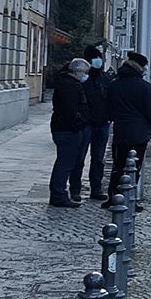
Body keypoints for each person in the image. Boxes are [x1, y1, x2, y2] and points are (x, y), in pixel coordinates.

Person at [106, 52, 151, 199]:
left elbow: (108, 108)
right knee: (133, 168)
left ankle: (113, 197)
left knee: (118, 167)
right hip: (139, 134)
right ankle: (128, 200)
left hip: (120, 132)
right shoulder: (145, 87)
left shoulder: (114, 85)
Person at [48, 58, 90, 207]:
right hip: (68, 129)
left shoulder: (65, 83)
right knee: (66, 163)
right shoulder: (70, 86)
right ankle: (58, 195)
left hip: (62, 127)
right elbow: (71, 111)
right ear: (77, 72)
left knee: (64, 161)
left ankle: (58, 193)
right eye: (85, 72)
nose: (86, 75)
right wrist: (79, 124)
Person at [81, 46, 113, 198]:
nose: (99, 61)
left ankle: (96, 188)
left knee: (98, 159)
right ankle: (75, 188)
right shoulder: (82, 78)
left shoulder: (105, 77)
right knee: (79, 157)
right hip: (85, 123)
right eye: (96, 58)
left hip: (103, 123)